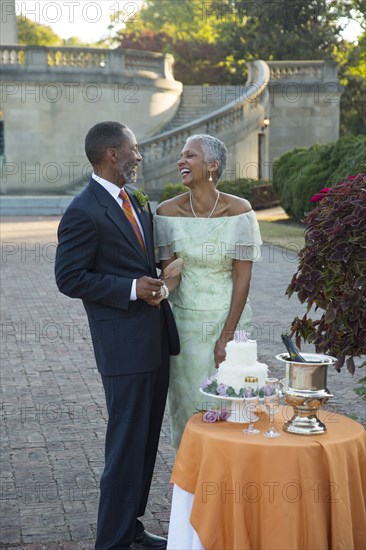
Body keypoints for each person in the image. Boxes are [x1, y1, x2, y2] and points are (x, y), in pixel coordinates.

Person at [55, 121, 179, 550]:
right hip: (122, 349)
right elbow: (69, 278)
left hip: (156, 339)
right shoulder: (83, 210)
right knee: (125, 445)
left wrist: (160, 278)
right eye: (134, 148)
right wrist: (130, 289)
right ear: (112, 154)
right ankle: (111, 541)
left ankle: (131, 526)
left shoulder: (136, 202)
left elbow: (139, 262)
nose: (139, 156)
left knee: (144, 443)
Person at [154, 134, 262, 450]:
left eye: (190, 156)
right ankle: (191, 489)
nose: (181, 162)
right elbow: (171, 276)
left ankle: (230, 486)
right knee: (188, 407)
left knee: (232, 407)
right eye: (181, 156)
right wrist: (158, 289)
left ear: (212, 166)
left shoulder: (239, 211)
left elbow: (243, 278)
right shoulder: (166, 213)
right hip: (184, 327)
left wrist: (226, 336)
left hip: (232, 320)